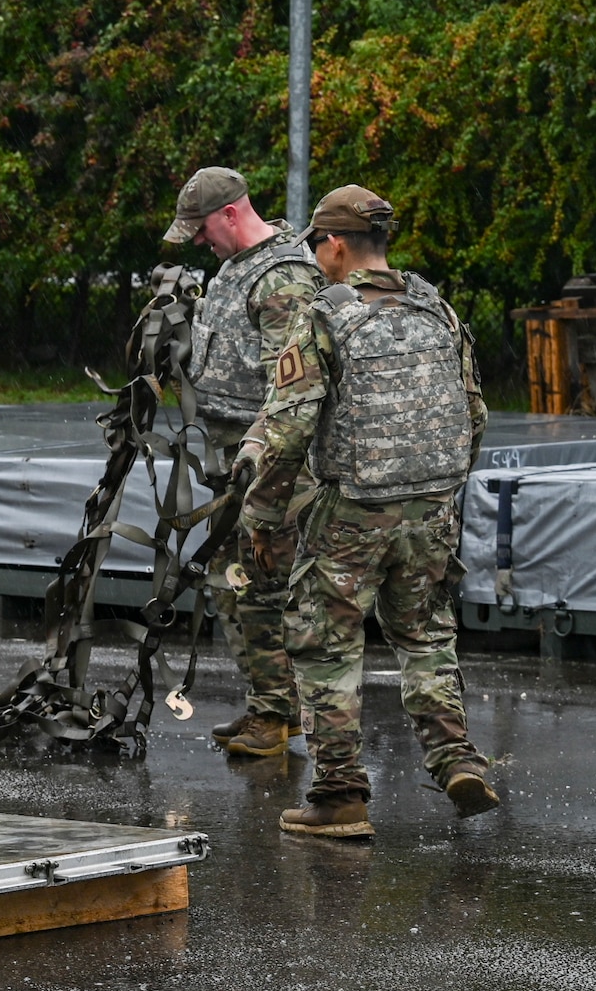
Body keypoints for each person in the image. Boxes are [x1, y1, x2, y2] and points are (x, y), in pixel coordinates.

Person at [238, 185, 499, 838]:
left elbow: (288, 430)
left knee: (325, 643)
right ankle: (457, 759)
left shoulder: (325, 316)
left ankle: (339, 795)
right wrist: (438, 492)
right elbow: (474, 413)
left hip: (353, 511)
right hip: (432, 509)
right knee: (426, 636)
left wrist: (263, 517)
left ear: (335, 245)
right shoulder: (436, 307)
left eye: (317, 247)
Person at [162, 167, 323, 759]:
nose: (200, 242)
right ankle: (271, 705)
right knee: (233, 583)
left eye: (203, 229)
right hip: (233, 454)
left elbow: (293, 388)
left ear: (230, 214)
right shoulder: (236, 267)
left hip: (272, 459)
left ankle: (277, 714)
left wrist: (267, 466)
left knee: (257, 586)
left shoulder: (283, 279)